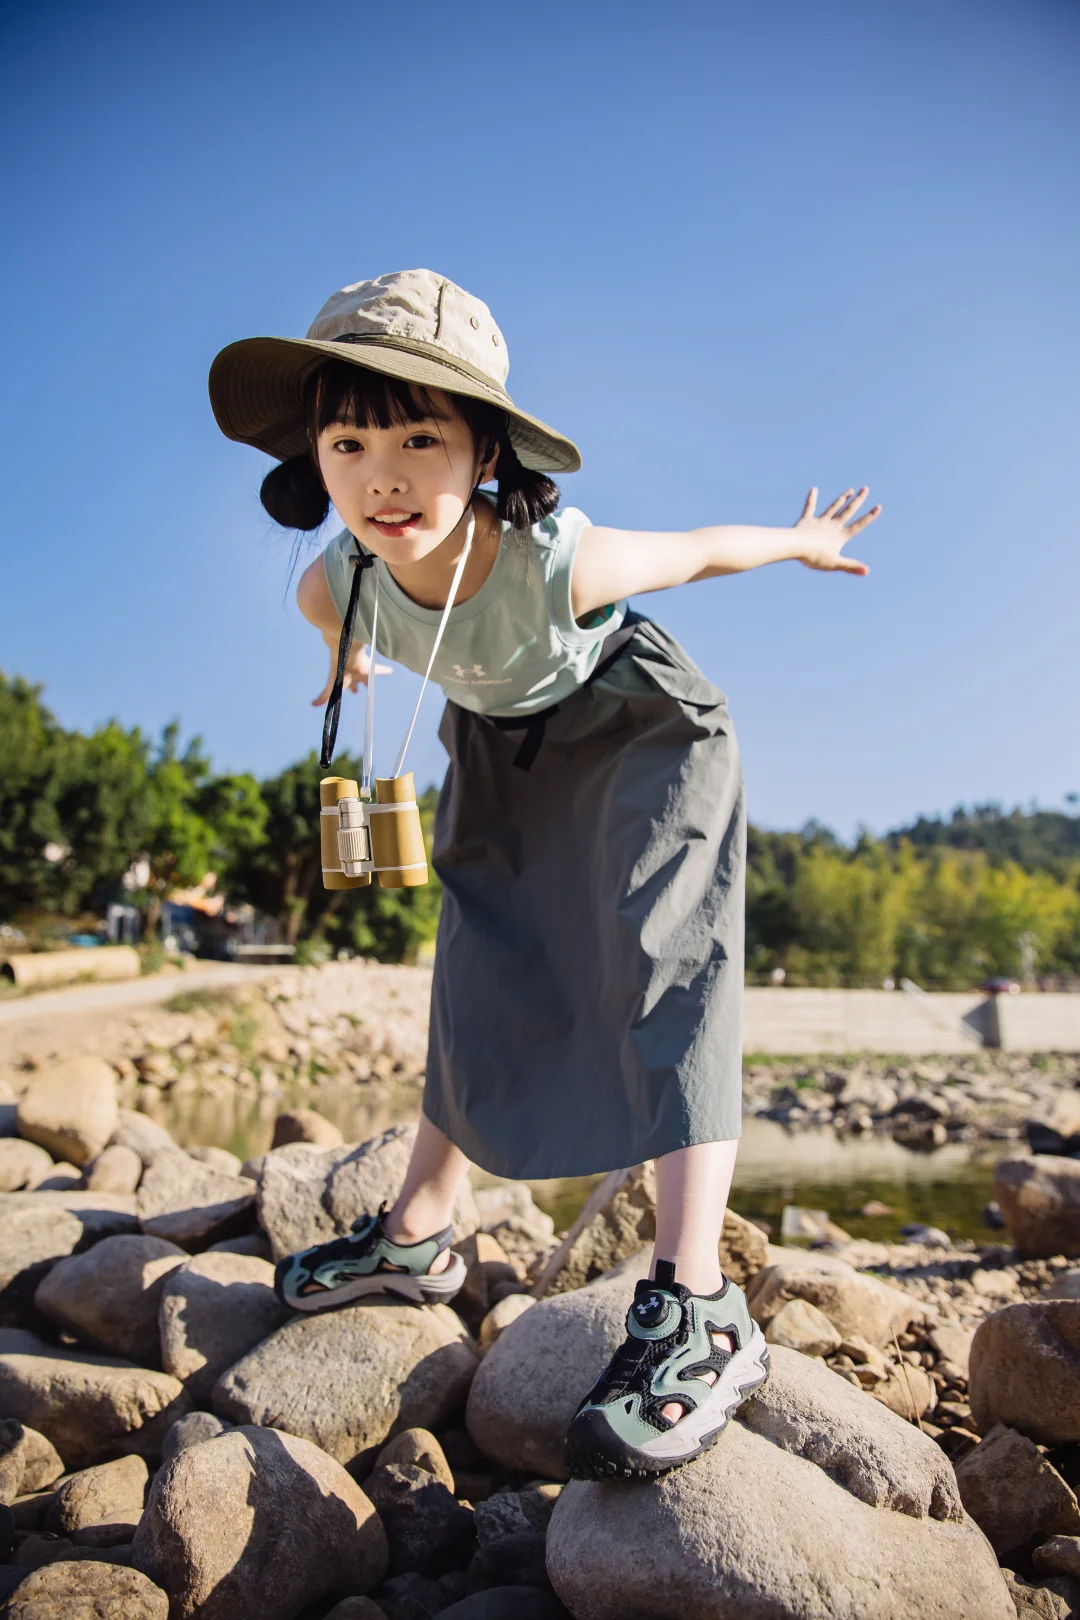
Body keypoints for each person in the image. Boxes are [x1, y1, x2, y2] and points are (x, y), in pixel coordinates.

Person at [209, 268, 880, 1481]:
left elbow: (699, 553)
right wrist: (346, 664)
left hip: (638, 729)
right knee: (479, 961)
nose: (383, 476)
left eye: (422, 437)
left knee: (666, 964)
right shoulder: (335, 579)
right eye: (349, 441)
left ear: (486, 453)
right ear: (315, 459)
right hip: (501, 745)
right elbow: (326, 613)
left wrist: (801, 541)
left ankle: (698, 1299)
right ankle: (418, 1231)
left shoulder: (555, 558)